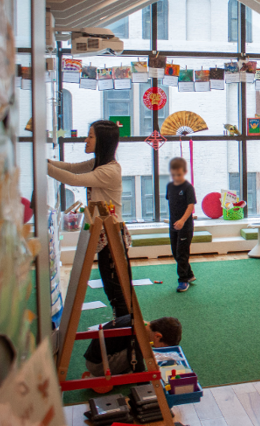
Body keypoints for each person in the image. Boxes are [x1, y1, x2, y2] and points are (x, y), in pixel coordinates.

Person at [48, 120, 129, 317]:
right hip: (103, 232)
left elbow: (73, 179)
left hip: (110, 234)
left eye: (91, 136)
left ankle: (124, 327)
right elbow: (71, 168)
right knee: (111, 285)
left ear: (102, 141)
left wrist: (43, 167)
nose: (86, 140)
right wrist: (47, 163)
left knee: (115, 287)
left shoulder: (108, 170)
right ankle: (122, 323)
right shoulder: (98, 164)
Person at [84, 316, 182, 376]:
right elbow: (137, 365)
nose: (158, 348)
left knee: (140, 349)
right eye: (162, 346)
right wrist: (146, 379)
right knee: (142, 350)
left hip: (98, 357)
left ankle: (123, 370)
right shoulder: (139, 336)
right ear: (157, 336)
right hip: (98, 366)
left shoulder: (141, 323)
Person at [166, 158, 197, 292]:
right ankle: (189, 274)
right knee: (175, 252)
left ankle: (183, 280)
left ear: (184, 172)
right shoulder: (170, 186)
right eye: (173, 175)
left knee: (182, 253)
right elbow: (172, 203)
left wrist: (182, 220)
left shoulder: (188, 187)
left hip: (185, 225)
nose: (176, 177)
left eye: (179, 175)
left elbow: (190, 206)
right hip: (173, 225)